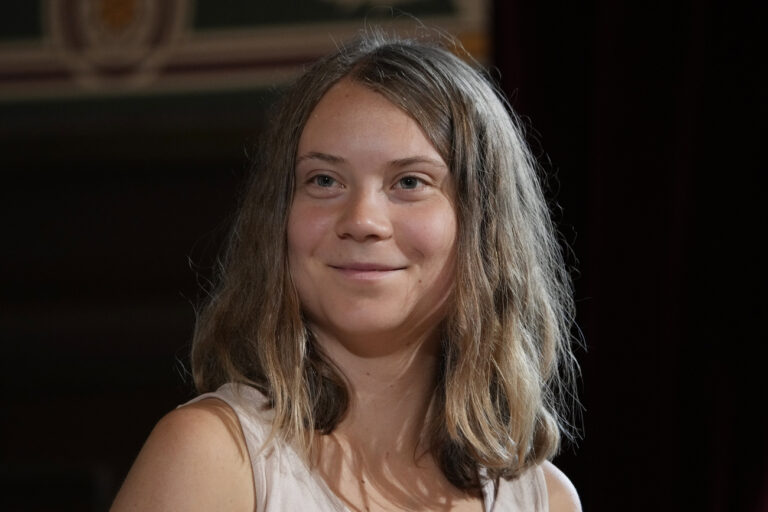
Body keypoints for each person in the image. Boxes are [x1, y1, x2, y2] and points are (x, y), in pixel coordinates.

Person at [111, 29, 581, 512]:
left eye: (410, 181)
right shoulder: (211, 455)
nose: (361, 220)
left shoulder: (543, 499)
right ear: (278, 218)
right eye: (324, 180)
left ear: (486, 227)